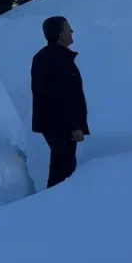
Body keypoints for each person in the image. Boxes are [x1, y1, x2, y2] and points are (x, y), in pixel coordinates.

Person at [31, 16, 90, 188]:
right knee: (63, 170)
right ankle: (53, 207)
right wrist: (74, 126)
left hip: (53, 123)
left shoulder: (45, 57)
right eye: (68, 28)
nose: (72, 31)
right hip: (61, 125)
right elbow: (61, 96)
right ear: (60, 35)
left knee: (63, 166)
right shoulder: (58, 60)